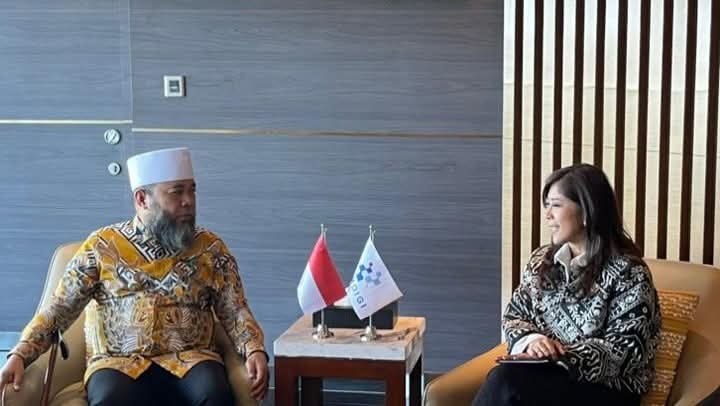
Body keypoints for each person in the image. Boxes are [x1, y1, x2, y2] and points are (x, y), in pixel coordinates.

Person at [0, 147, 269, 405]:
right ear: (142, 199)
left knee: (213, 392)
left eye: (192, 190)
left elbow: (235, 309)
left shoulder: (210, 248)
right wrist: (20, 354)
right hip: (117, 362)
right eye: (177, 192)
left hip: (192, 358)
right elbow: (59, 309)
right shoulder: (102, 247)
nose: (188, 201)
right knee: (112, 398)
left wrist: (254, 348)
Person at [473, 163, 661, 406]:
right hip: (548, 379)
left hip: (609, 390)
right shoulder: (540, 261)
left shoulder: (630, 272)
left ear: (586, 212)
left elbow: (627, 350)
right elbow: (514, 316)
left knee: (507, 381)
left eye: (556, 205)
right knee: (506, 380)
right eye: (547, 205)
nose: (547, 215)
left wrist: (560, 355)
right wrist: (533, 341)